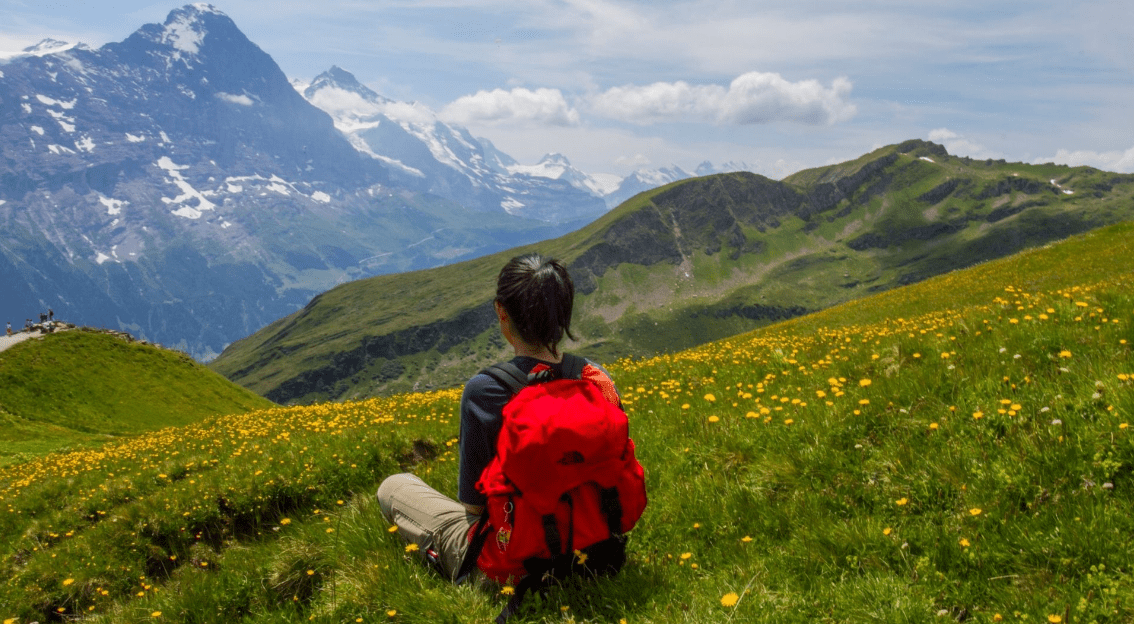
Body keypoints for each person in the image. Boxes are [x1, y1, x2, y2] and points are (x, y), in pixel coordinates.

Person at [377, 253, 623, 581]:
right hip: (599, 555)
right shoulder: (596, 378)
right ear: (564, 312)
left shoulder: (486, 391)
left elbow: (475, 508)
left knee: (394, 486)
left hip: (518, 568)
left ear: (501, 311)